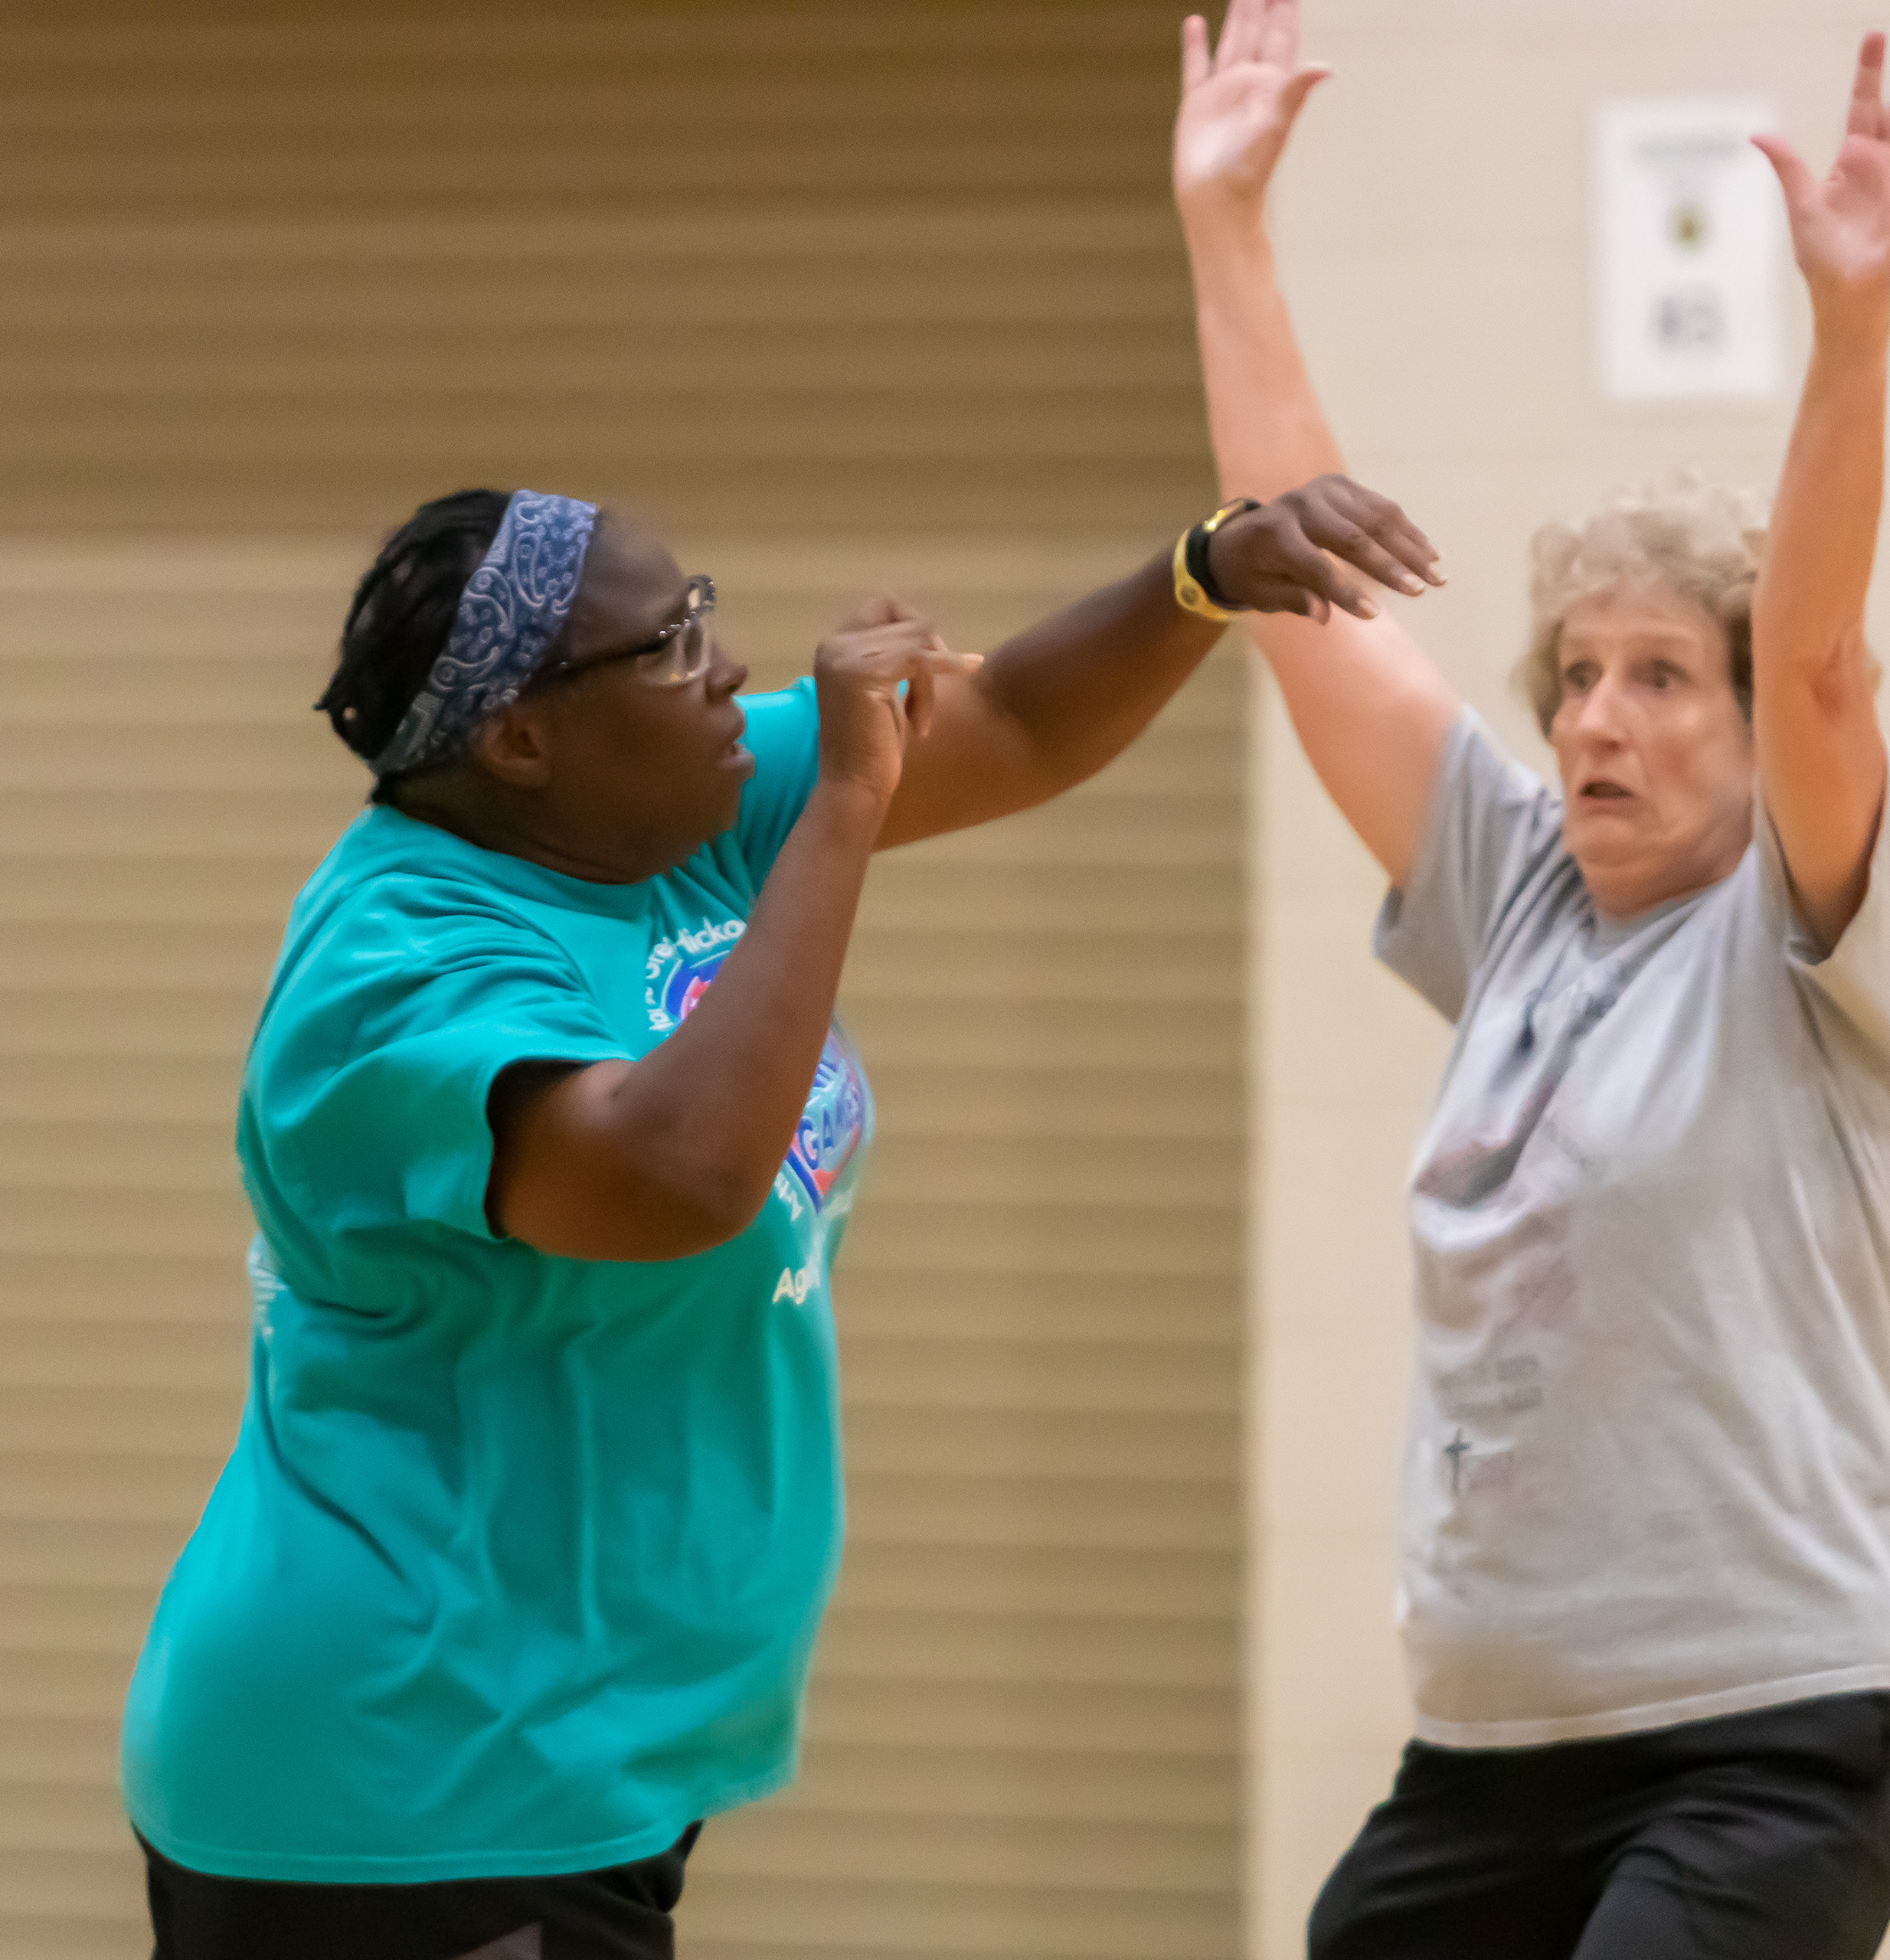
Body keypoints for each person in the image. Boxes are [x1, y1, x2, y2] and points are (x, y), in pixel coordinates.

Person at [119, 480, 1437, 1958]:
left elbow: (1020, 727)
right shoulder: (398, 971)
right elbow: (675, 1178)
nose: (727, 668)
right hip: (401, 1781)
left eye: (704, 614)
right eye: (671, 645)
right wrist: (847, 805)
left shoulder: (661, 813)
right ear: (520, 737)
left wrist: (1203, 571)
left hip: (557, 1751)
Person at [1172, 6, 1890, 1955]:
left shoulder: (1806, 926)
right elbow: (1311, 611)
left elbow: (1814, 657)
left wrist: (1854, 331)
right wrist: (1226, 229)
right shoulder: (1523, 884)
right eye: (1573, 674)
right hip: (1493, 1744)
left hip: (1768, 1729)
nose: (1597, 716)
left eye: (1658, 675)